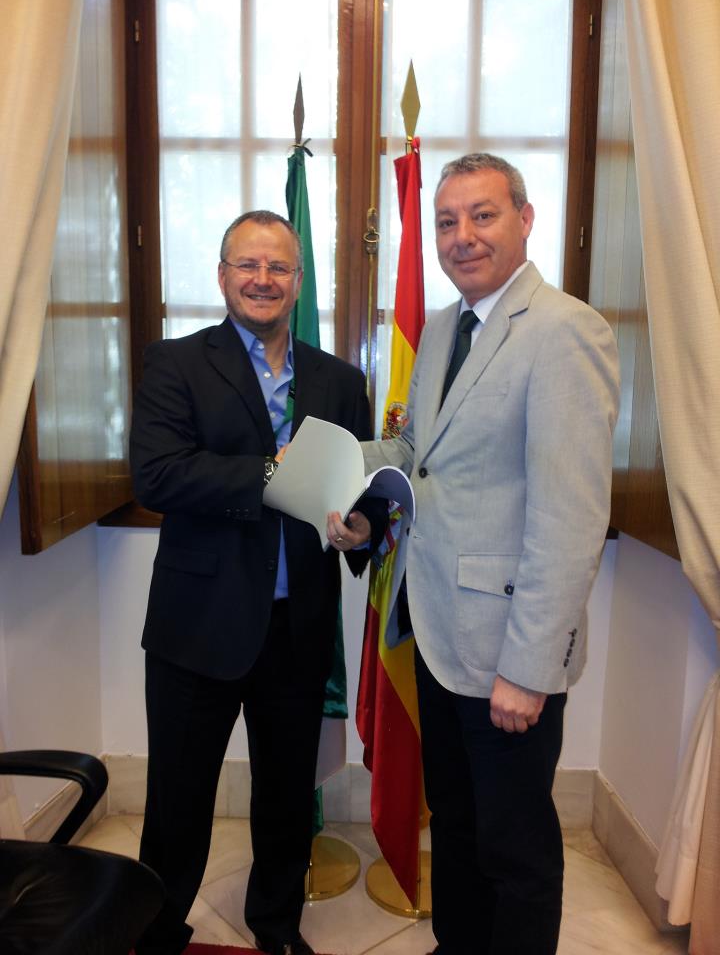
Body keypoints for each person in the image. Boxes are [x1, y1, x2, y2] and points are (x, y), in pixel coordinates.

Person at [327, 154, 620, 954]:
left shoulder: (565, 333)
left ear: (526, 219)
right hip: (437, 633)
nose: (462, 236)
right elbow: (416, 454)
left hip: (507, 655)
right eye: (447, 221)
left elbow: (570, 519)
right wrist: (341, 479)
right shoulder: (444, 329)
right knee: (455, 826)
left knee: (515, 851)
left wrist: (529, 670)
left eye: (483, 215)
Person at [131, 210, 384, 955]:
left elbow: (361, 490)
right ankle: (156, 932)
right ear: (223, 275)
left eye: (279, 267)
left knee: (285, 798)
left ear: (298, 283)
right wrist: (275, 472)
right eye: (248, 264)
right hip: (195, 627)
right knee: (178, 801)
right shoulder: (174, 364)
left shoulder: (341, 381)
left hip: (296, 629)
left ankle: (275, 926)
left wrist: (363, 529)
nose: (263, 279)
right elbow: (158, 475)